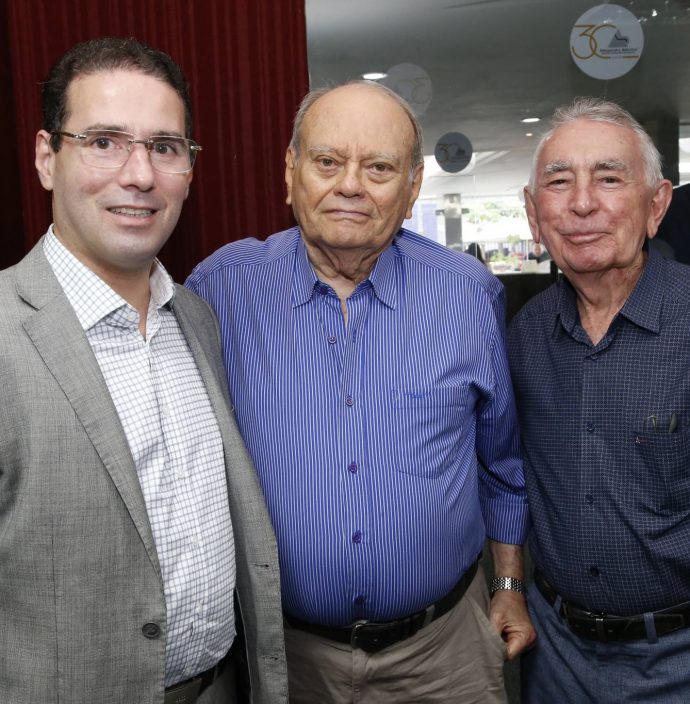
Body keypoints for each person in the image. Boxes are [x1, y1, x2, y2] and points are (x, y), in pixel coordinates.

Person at [187, 81, 535, 704]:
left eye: (378, 167)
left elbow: (501, 462)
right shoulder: (219, 290)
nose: (350, 185)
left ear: (413, 187)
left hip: (444, 653)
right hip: (286, 657)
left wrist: (508, 586)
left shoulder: (467, 293)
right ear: (290, 172)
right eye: (327, 162)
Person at [0, 37, 287, 704]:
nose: (140, 175)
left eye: (165, 147)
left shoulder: (197, 319)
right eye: (104, 142)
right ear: (46, 157)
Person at [508, 97, 690, 702]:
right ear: (533, 214)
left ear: (656, 205)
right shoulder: (524, 336)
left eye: (609, 179)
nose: (582, 204)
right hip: (555, 656)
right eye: (559, 183)